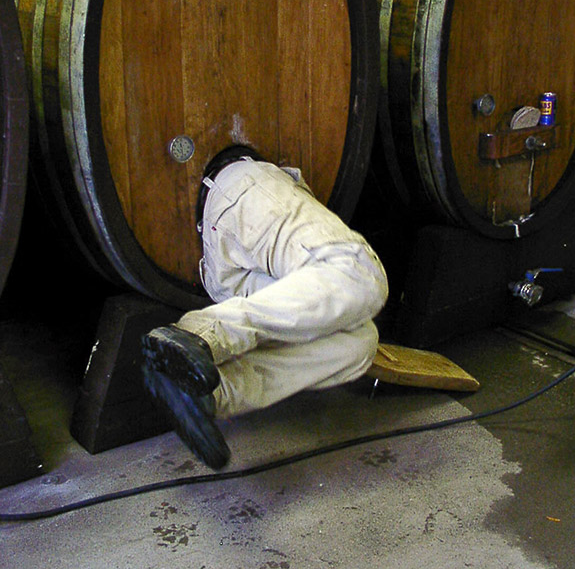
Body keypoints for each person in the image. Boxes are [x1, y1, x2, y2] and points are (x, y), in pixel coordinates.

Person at [142, 146, 389, 470]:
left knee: (361, 344)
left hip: (225, 272)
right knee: (359, 271)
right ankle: (200, 334)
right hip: (242, 187)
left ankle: (208, 393)